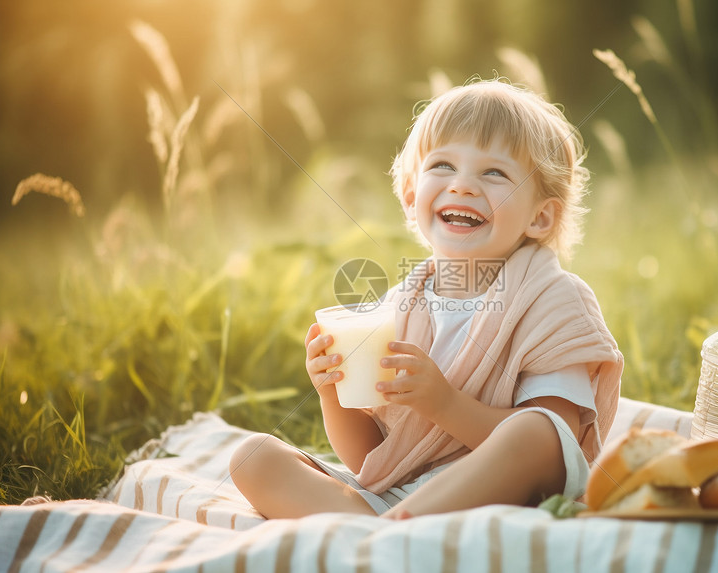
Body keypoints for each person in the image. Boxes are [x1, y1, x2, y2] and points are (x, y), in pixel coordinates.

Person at [230, 77, 624, 519]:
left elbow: (553, 451)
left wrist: (445, 405)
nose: (462, 186)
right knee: (254, 456)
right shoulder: (398, 309)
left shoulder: (553, 300)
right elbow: (374, 461)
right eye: (442, 166)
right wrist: (331, 395)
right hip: (404, 499)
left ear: (540, 216)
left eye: (494, 173)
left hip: (503, 497)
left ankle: (382, 536)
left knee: (532, 431)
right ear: (411, 195)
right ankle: (382, 534)